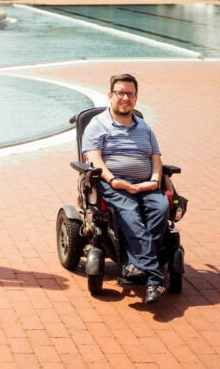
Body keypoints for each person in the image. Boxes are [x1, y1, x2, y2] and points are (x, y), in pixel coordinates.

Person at [81, 73, 170, 304]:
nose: (125, 98)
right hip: (114, 184)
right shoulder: (97, 125)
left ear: (135, 98)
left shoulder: (145, 127)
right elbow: (95, 160)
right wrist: (113, 180)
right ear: (111, 96)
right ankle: (155, 279)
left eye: (130, 94)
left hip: (147, 185)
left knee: (161, 209)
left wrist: (154, 179)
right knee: (130, 213)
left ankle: (135, 264)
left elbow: (156, 157)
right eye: (120, 93)